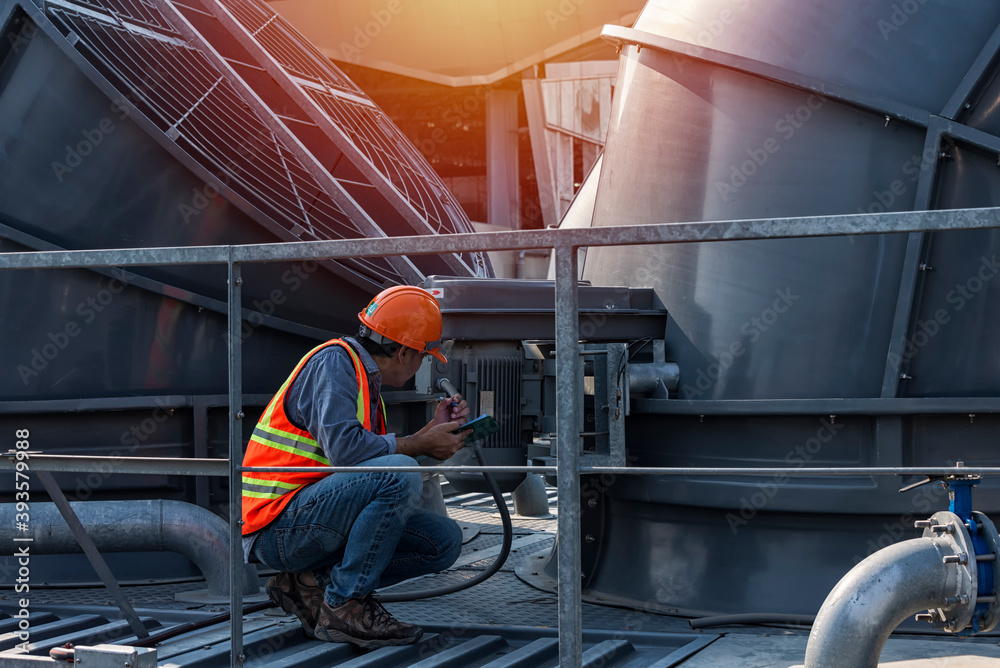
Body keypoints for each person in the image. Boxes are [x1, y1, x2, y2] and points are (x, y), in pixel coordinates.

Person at [241, 285, 470, 649]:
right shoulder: (335, 363)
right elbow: (349, 452)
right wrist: (416, 445)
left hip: (309, 520)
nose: (423, 364)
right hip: (277, 528)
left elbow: (372, 466)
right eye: (425, 356)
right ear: (404, 352)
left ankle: (308, 583)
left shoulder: (364, 380)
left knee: (442, 542)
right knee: (398, 471)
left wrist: (427, 437)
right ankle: (345, 606)